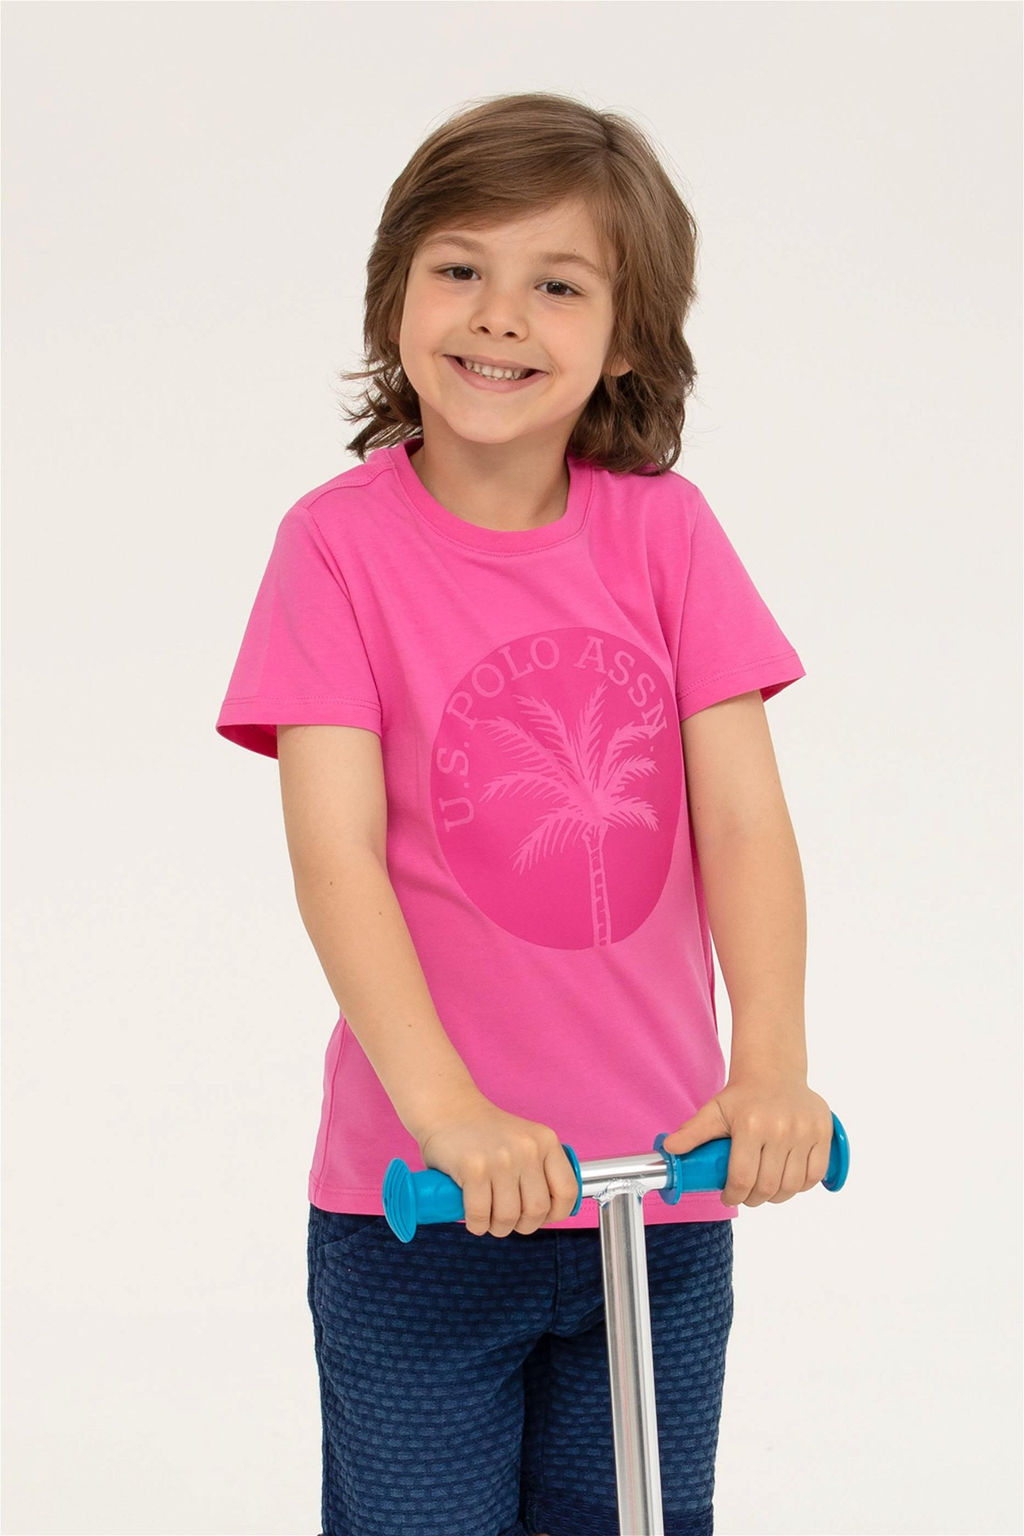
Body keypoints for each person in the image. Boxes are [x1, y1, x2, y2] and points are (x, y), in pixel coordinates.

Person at [215, 91, 835, 1536]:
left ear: (626, 340)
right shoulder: (336, 549)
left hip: (660, 1188)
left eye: (558, 285)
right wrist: (447, 1114)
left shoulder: (668, 537)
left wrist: (771, 1068)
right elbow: (337, 855)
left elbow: (745, 823)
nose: (500, 314)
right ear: (396, 291)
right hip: (421, 1208)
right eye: (461, 268)